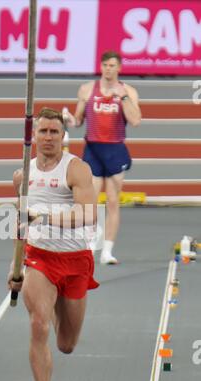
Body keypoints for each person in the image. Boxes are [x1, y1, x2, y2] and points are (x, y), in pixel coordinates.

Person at [7, 108, 99, 381]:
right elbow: (19, 225)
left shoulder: (76, 168)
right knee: (37, 323)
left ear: (63, 137)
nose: (48, 137)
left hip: (75, 260)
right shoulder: (22, 177)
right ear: (35, 137)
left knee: (66, 344)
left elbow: (87, 215)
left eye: (54, 133)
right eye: (43, 132)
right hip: (40, 259)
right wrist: (15, 266)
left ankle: (57, 304)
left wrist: (42, 216)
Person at [64, 50, 141, 264]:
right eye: (105, 65)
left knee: (113, 201)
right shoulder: (87, 90)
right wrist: (68, 118)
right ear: (101, 66)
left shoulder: (129, 91)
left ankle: (107, 250)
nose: (109, 69)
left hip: (115, 149)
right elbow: (78, 121)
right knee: (90, 200)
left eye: (112, 65)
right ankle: (89, 246)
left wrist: (123, 98)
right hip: (93, 149)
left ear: (119, 68)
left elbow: (135, 121)